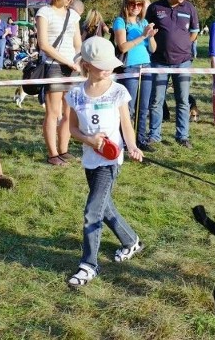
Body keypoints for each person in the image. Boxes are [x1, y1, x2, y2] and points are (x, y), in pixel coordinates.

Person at [65, 36, 144, 287]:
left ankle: (88, 265)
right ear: (87, 64)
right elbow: (72, 130)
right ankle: (131, 241)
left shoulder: (118, 91)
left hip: (111, 162)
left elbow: (126, 125)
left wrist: (131, 146)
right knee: (104, 207)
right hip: (90, 160)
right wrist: (90, 140)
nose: (109, 68)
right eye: (102, 64)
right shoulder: (75, 94)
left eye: (110, 63)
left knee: (92, 212)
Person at [145, 0, 200, 149]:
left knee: (183, 100)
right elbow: (148, 32)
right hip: (159, 61)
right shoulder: (155, 8)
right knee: (156, 100)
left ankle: (182, 136)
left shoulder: (190, 8)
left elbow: (194, 32)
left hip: (183, 62)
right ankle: (154, 135)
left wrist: (181, 46)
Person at [36, 0, 82, 166]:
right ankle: (52, 153)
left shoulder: (74, 15)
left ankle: (63, 150)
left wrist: (78, 60)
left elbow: (77, 42)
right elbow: (44, 45)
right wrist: (67, 62)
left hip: (72, 68)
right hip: (53, 66)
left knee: (68, 112)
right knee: (53, 112)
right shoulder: (44, 12)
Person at [113, 0, 158, 151]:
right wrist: (143, 36)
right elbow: (123, 46)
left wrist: (151, 36)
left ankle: (141, 139)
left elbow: (153, 49)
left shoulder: (143, 23)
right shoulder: (120, 21)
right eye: (132, 3)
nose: (136, 7)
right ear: (126, 4)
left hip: (146, 66)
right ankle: (124, 140)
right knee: (128, 108)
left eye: (139, 4)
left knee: (143, 106)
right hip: (129, 67)